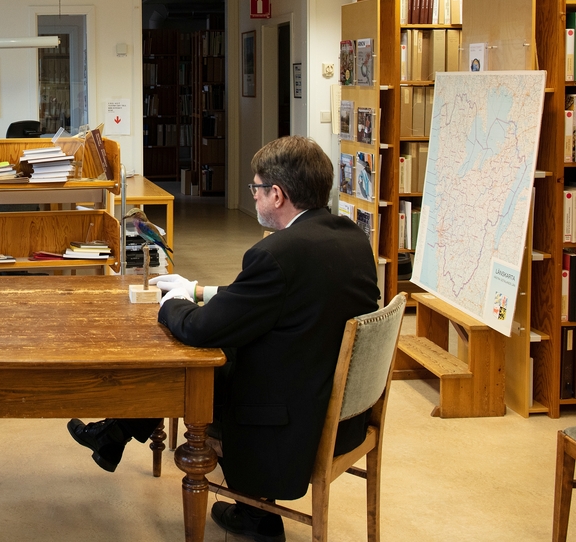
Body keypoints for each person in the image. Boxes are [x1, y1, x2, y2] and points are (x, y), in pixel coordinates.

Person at [67, 135, 379, 542]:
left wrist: (171, 304)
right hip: (337, 407)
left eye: (256, 188)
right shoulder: (348, 237)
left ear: (278, 194)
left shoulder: (278, 253)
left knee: (187, 358)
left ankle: (255, 516)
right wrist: (197, 290)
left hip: (288, 418)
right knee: (221, 346)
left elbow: (201, 328)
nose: (253, 197)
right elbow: (273, 301)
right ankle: (112, 436)